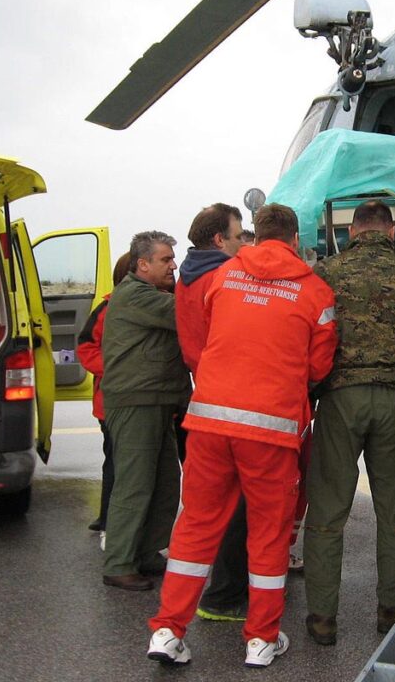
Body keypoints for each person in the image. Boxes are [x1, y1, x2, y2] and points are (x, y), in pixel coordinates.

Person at [147, 204, 337, 669]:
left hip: (210, 422)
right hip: (270, 429)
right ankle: (261, 639)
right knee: (269, 533)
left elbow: (212, 336)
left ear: (255, 236)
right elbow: (319, 366)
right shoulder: (315, 291)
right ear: (295, 239)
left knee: (196, 526)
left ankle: (168, 630)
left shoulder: (224, 276)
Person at [303, 200, 395, 645]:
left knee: (328, 510)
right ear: (390, 231)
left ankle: (323, 618)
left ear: (352, 231)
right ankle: (389, 612)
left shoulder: (327, 274)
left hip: (340, 399)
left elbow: (308, 334)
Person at [100, 231, 191, 591]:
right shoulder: (136, 296)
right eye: (165, 259)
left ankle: (147, 551)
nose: (173, 265)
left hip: (155, 400)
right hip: (136, 401)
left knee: (165, 483)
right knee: (135, 485)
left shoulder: (150, 295)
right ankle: (119, 562)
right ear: (142, 264)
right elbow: (185, 313)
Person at [174, 202, 250, 622]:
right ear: (220, 239)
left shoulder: (187, 276)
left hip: (204, 393)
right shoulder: (222, 277)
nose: (242, 244)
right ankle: (225, 594)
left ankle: (213, 592)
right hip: (231, 398)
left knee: (212, 503)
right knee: (238, 503)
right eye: (238, 237)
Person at [76, 252, 134, 538]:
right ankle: (108, 519)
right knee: (115, 461)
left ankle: (110, 519)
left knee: (122, 462)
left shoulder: (159, 303)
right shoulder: (106, 309)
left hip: (124, 400)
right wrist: (117, 369)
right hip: (111, 403)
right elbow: (85, 348)